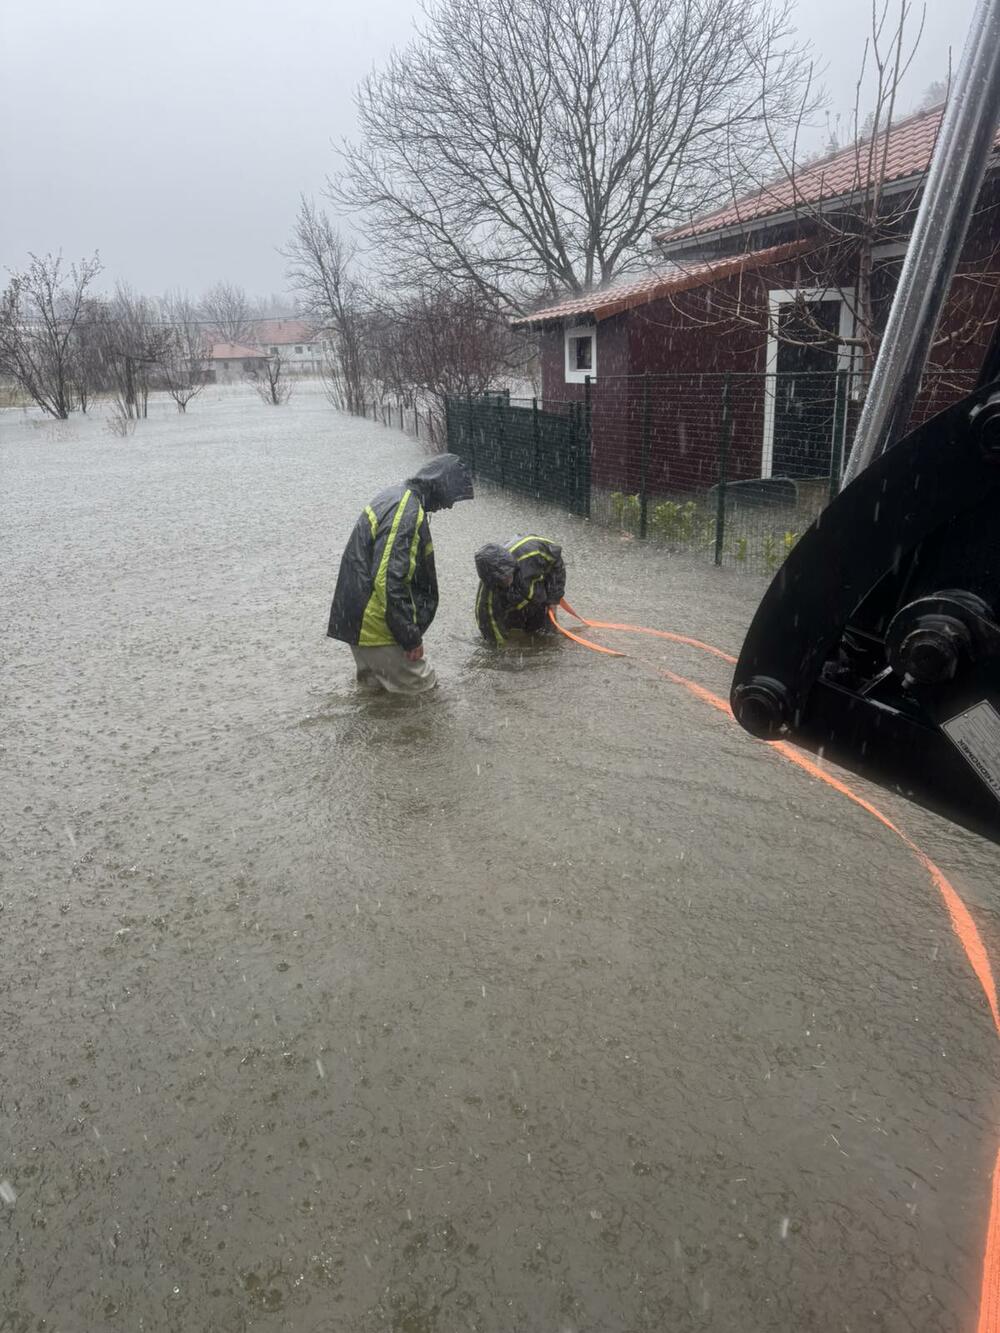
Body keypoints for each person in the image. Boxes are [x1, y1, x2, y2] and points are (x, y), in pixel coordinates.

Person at [328, 453, 474, 692]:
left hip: (359, 626)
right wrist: (409, 636)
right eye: (452, 497)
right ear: (440, 485)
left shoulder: (394, 496)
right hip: (379, 627)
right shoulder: (407, 510)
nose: (448, 506)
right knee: (425, 694)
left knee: (378, 701)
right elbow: (388, 579)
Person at [474, 535, 566, 644]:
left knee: (549, 636)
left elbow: (556, 560)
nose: (506, 580)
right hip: (513, 610)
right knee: (518, 639)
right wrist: (502, 651)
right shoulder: (486, 596)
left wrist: (554, 598)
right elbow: (490, 627)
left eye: (508, 574)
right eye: (501, 580)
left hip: (539, 597)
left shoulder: (532, 550)